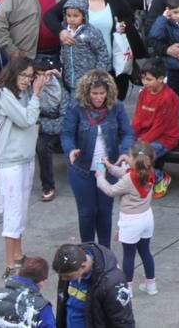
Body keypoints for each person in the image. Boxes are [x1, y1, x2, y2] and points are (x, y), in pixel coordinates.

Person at [60, 69, 132, 245]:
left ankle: (105, 253)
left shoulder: (117, 107)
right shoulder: (76, 107)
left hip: (106, 168)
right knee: (87, 212)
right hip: (81, 169)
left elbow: (128, 133)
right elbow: (66, 134)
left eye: (102, 93)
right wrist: (70, 150)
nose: (99, 97)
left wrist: (124, 150)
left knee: (105, 212)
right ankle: (88, 251)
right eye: (94, 93)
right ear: (87, 92)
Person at [0, 56, 47, 280]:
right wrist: (35, 94)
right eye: (23, 75)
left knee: (21, 208)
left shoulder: (23, 93)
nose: (26, 80)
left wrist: (44, 84)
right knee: (12, 210)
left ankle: (18, 254)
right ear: (14, 73)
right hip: (11, 161)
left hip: (25, 157)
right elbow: (27, 119)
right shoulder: (3, 93)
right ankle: (9, 264)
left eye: (29, 76)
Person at [95, 140, 159, 293]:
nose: (126, 158)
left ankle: (127, 289)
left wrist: (100, 177)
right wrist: (110, 166)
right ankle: (151, 285)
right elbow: (124, 173)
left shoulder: (129, 179)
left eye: (129, 156)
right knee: (145, 252)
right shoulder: (149, 171)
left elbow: (111, 190)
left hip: (131, 220)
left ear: (134, 160)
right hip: (146, 217)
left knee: (129, 255)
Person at [51, 242, 135, 328]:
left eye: (68, 276)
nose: (63, 279)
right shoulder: (70, 264)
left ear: (83, 266)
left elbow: (123, 321)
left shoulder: (112, 283)